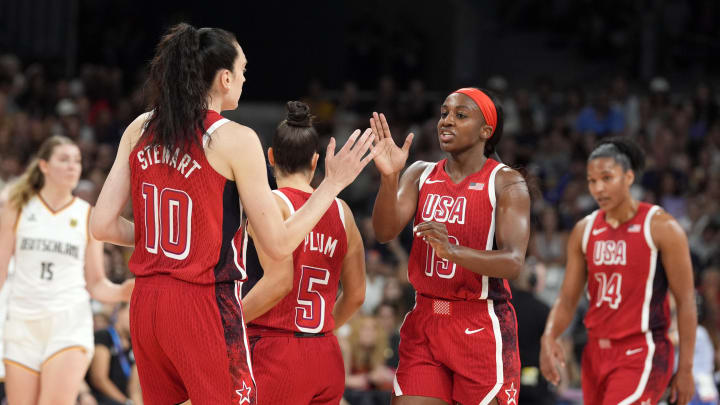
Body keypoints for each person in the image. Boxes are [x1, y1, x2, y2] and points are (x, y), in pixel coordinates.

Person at [90, 23, 375, 405]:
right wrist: (332, 184)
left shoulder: (140, 127)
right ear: (224, 78)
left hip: (146, 304)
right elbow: (278, 242)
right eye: (242, 71)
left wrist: (163, 237)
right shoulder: (235, 138)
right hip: (201, 304)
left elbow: (102, 225)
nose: (244, 79)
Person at [371, 87, 531, 405]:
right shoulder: (420, 173)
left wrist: (453, 252)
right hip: (426, 320)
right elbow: (384, 231)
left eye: (460, 115)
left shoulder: (506, 182)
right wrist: (389, 179)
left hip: (480, 324)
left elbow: (514, 262)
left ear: (486, 131)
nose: (447, 121)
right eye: (444, 113)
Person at [540, 137, 696, 405]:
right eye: (591, 181)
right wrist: (549, 335)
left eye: (606, 178)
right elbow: (567, 299)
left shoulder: (661, 227)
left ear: (629, 177)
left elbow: (686, 301)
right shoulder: (584, 230)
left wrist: (686, 369)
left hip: (642, 351)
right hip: (595, 355)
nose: (598, 188)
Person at [241, 101, 366, 404]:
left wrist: (227, 323)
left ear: (270, 157)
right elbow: (356, 295)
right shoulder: (342, 211)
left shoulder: (269, 205)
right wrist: (322, 330)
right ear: (315, 161)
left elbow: (275, 284)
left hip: (275, 352)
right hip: (325, 353)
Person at [0, 135, 133, 405]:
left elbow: (95, 284)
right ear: (44, 166)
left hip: (68, 322)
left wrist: (123, 292)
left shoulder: (87, 214)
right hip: (21, 324)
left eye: (77, 160)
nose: (73, 166)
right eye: (64, 159)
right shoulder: (17, 207)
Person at [88, 302, 142, 405]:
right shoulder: (103, 336)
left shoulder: (135, 345)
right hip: (102, 399)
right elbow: (99, 379)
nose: (136, 318)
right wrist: (126, 402)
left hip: (125, 401)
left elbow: (134, 389)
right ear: (119, 312)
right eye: (132, 312)